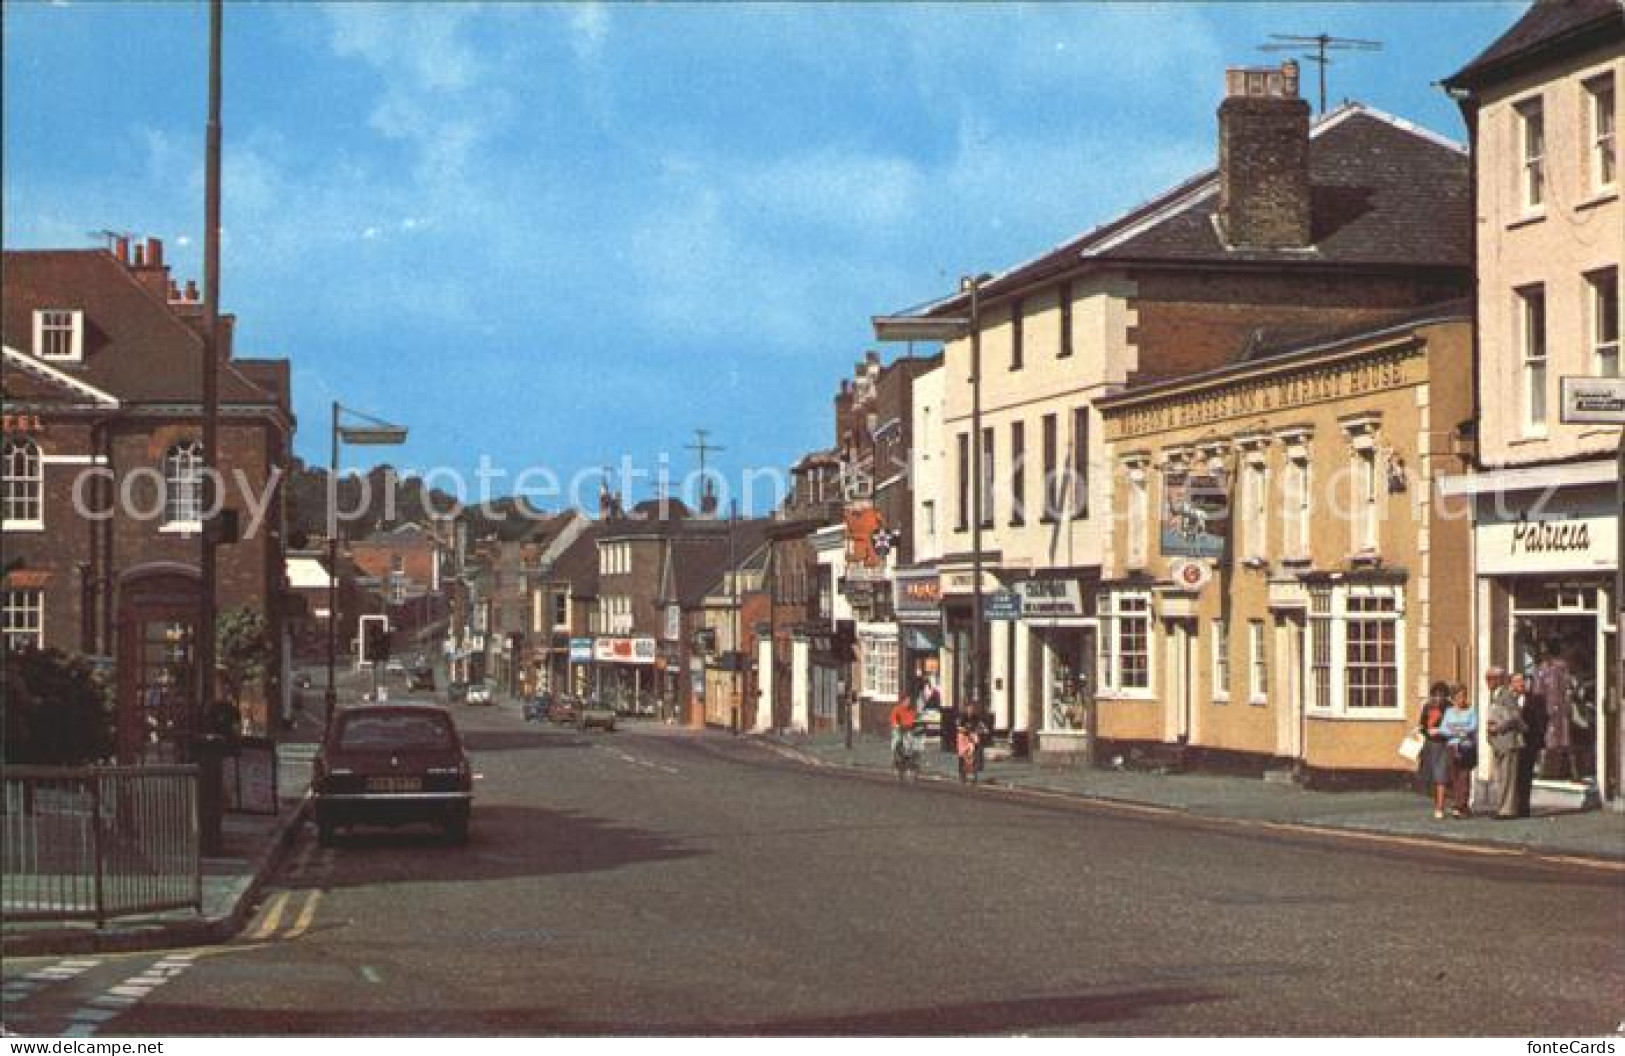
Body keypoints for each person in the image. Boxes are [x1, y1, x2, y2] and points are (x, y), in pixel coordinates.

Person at [1484, 667, 1524, 819]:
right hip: (1497, 742)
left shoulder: (1506, 694)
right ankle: (1502, 808)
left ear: (1499, 679)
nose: (1488, 682)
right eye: (1487, 679)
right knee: (1500, 777)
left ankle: (1507, 810)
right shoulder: (1494, 695)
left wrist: (1498, 727)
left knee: (1508, 777)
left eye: (1490, 679)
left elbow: (1515, 716)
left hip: (1508, 741)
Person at [1439, 683, 1479, 818]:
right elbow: (1443, 729)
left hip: (1466, 747)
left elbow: (1473, 727)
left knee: (1464, 776)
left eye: (1464, 696)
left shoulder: (1471, 710)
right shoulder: (1448, 712)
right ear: (1454, 698)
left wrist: (1456, 730)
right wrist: (1459, 731)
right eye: (1460, 696)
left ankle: (1461, 806)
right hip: (1452, 746)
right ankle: (1460, 805)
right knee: (1454, 776)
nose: (1463, 699)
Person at [1511, 671, 1547, 818]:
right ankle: (1511, 806)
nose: (1521, 684)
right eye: (1518, 682)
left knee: (1525, 775)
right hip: (1512, 742)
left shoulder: (1535, 700)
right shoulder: (1508, 699)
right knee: (1512, 776)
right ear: (1512, 684)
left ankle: (1523, 808)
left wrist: (1538, 739)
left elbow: (1541, 720)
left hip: (1528, 742)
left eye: (1523, 682)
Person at [1417, 682, 1453, 820]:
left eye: (1441, 695)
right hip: (1429, 744)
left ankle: (1440, 808)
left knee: (1441, 777)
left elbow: (1452, 725)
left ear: (1445, 696)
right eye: (1435, 695)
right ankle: (1437, 804)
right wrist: (1424, 732)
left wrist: (1440, 731)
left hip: (1443, 744)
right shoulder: (1427, 707)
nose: (1438, 698)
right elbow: (1422, 725)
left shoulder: (1449, 708)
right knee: (1432, 777)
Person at [889, 694, 918, 761]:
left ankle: (908, 753)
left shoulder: (910, 710)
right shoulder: (896, 709)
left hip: (907, 728)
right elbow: (893, 719)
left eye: (909, 701)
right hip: (898, 728)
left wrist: (910, 725)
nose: (908, 702)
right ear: (902, 701)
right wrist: (897, 725)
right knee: (897, 738)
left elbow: (912, 720)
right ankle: (894, 753)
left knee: (910, 739)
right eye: (906, 701)